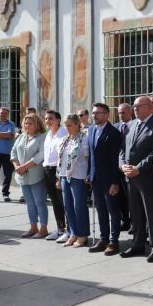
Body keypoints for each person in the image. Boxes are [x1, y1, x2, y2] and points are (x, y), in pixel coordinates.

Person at [119, 95, 153, 261]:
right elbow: (122, 149)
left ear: (150, 107)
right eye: (134, 106)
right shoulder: (131, 125)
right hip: (130, 177)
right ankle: (138, 244)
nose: (135, 109)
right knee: (136, 213)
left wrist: (138, 168)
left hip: (147, 178)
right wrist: (123, 165)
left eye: (139, 106)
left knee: (152, 214)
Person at [87, 103, 123, 255]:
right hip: (95, 177)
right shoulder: (91, 129)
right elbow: (91, 154)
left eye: (98, 113)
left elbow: (116, 159)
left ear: (107, 115)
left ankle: (114, 242)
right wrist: (89, 173)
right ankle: (104, 239)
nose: (95, 115)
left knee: (113, 211)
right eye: (93, 113)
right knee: (100, 210)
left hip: (110, 179)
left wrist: (115, 182)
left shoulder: (113, 133)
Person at [56, 114, 90, 247]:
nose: (67, 128)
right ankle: (73, 233)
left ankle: (82, 235)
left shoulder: (84, 138)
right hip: (64, 176)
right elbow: (61, 160)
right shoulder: (65, 139)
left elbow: (87, 156)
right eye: (66, 125)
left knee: (79, 206)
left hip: (78, 176)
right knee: (68, 206)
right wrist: (59, 178)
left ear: (77, 124)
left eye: (70, 125)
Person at [12, 114, 48, 238]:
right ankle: (33, 227)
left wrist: (24, 167)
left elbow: (40, 155)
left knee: (39, 203)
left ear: (37, 124)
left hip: (36, 176)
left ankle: (43, 228)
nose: (27, 126)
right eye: (25, 123)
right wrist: (16, 166)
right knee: (30, 203)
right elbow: (13, 152)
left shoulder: (42, 137)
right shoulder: (21, 137)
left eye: (30, 123)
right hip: (22, 176)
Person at [42, 110, 68, 241]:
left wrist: (59, 177)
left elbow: (63, 157)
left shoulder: (63, 134)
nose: (47, 121)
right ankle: (60, 229)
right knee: (55, 201)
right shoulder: (48, 134)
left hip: (57, 171)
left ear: (58, 120)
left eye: (50, 118)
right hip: (47, 169)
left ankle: (69, 230)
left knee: (63, 201)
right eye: (46, 119)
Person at [115, 103, 135, 231]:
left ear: (130, 112)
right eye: (119, 113)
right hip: (118, 167)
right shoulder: (116, 127)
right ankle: (125, 220)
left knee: (132, 197)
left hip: (131, 167)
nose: (121, 115)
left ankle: (135, 222)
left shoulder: (136, 125)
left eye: (124, 113)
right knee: (121, 195)